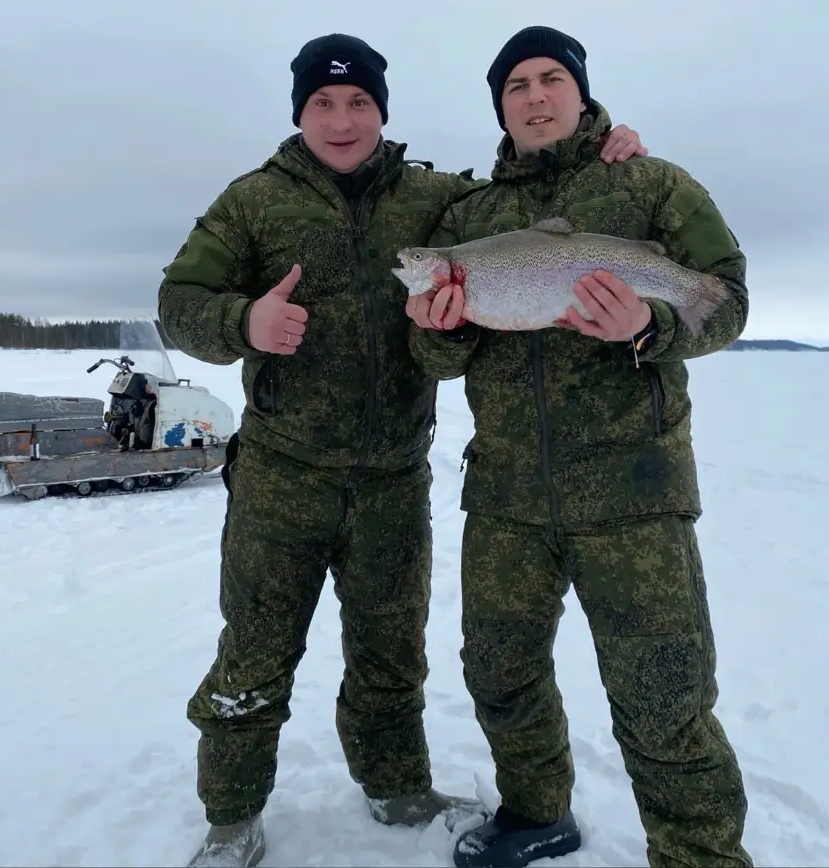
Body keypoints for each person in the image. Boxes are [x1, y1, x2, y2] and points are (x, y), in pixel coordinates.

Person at [156, 32, 648, 868]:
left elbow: (526, 213)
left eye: (359, 103)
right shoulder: (254, 201)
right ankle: (232, 817)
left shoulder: (432, 201)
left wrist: (605, 149)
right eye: (323, 103)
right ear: (300, 112)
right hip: (283, 478)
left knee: (390, 652)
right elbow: (180, 299)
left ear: (382, 111)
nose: (342, 120)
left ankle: (394, 786)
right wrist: (244, 324)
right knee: (254, 654)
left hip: (393, 477)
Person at [405, 25, 753, 868]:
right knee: (499, 671)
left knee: (663, 692)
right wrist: (437, 329)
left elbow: (728, 301)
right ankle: (535, 815)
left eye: (550, 78)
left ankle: (699, 856)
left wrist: (650, 323)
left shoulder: (650, 184)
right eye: (516, 84)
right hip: (508, 497)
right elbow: (439, 358)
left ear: (581, 91)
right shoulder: (470, 217)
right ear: (501, 106)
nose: (534, 95)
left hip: (633, 490)